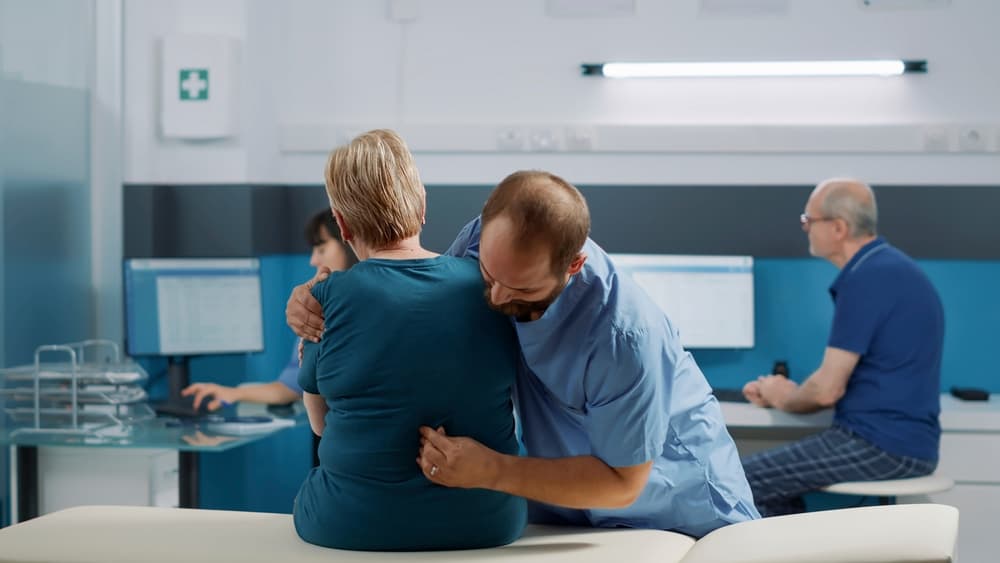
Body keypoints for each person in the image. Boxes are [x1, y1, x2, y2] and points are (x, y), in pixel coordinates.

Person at [288, 169, 759, 538]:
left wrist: (491, 469)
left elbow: (622, 483)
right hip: (556, 505)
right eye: (489, 278)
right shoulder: (479, 243)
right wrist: (312, 305)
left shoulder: (623, 336)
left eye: (523, 292)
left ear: (573, 266)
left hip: (674, 509)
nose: (495, 299)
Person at [292, 129, 526, 551]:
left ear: (342, 225)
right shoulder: (490, 287)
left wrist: (308, 348)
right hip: (489, 523)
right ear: (421, 208)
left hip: (347, 526)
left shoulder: (329, 296)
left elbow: (321, 425)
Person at [740, 178, 944, 517]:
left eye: (809, 219)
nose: (805, 227)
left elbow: (826, 390)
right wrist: (787, 391)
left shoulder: (868, 277)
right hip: (902, 442)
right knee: (773, 487)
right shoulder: (888, 267)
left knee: (741, 480)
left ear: (838, 228)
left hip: (880, 445)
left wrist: (781, 395)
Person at [180, 210, 354, 412]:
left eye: (321, 249)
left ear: (348, 243)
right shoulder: (315, 311)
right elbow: (291, 387)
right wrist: (233, 393)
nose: (313, 260)